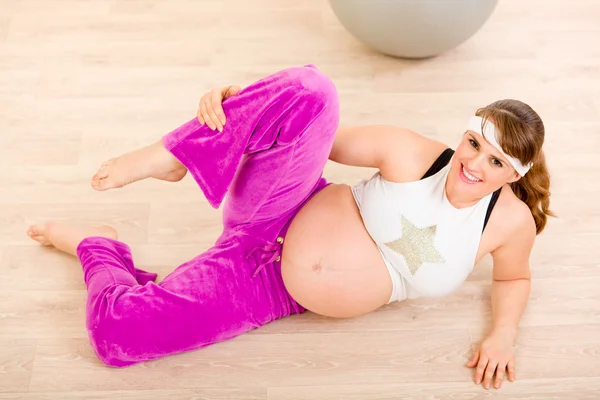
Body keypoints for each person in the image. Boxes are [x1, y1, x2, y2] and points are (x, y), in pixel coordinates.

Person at [27, 64, 553, 390]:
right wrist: (243, 102)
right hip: (277, 208)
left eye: (497, 162)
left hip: (265, 289)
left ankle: (96, 244)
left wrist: (502, 334)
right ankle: (175, 156)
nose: (476, 164)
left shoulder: (508, 222)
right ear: (465, 136)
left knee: (117, 335)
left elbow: (513, 279)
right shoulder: (416, 154)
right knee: (312, 89)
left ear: (515, 174)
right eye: (474, 144)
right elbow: (307, 130)